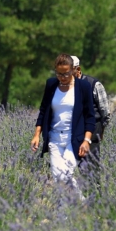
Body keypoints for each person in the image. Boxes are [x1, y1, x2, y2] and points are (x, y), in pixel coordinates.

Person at [30, 54, 96, 197]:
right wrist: (37, 135)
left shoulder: (83, 87)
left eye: (66, 73)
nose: (62, 77)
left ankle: (80, 204)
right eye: (59, 73)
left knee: (66, 174)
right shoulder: (51, 84)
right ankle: (67, 212)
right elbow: (43, 110)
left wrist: (87, 140)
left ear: (73, 70)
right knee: (58, 177)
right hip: (54, 138)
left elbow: (90, 116)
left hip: (73, 139)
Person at [71, 56, 111, 171]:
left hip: (93, 129)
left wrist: (101, 130)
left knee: (91, 166)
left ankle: (93, 188)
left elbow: (105, 111)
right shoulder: (64, 86)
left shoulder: (94, 84)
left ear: (77, 69)